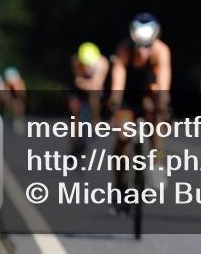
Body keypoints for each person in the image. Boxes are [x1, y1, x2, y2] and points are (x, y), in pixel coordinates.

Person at [107, 13, 172, 210]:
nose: (143, 51)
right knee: (123, 137)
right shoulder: (124, 49)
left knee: (156, 119)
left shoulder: (161, 51)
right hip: (128, 95)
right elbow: (118, 77)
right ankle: (119, 187)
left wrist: (162, 100)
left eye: (147, 46)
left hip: (149, 92)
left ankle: (158, 163)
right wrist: (115, 100)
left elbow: (163, 79)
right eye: (140, 46)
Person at [68, 42, 109, 153]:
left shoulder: (103, 63)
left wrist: (90, 85)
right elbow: (78, 80)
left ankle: (95, 119)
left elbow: (98, 82)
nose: (86, 67)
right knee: (74, 108)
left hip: (94, 89)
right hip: (80, 89)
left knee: (95, 95)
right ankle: (75, 139)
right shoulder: (76, 61)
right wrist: (85, 84)